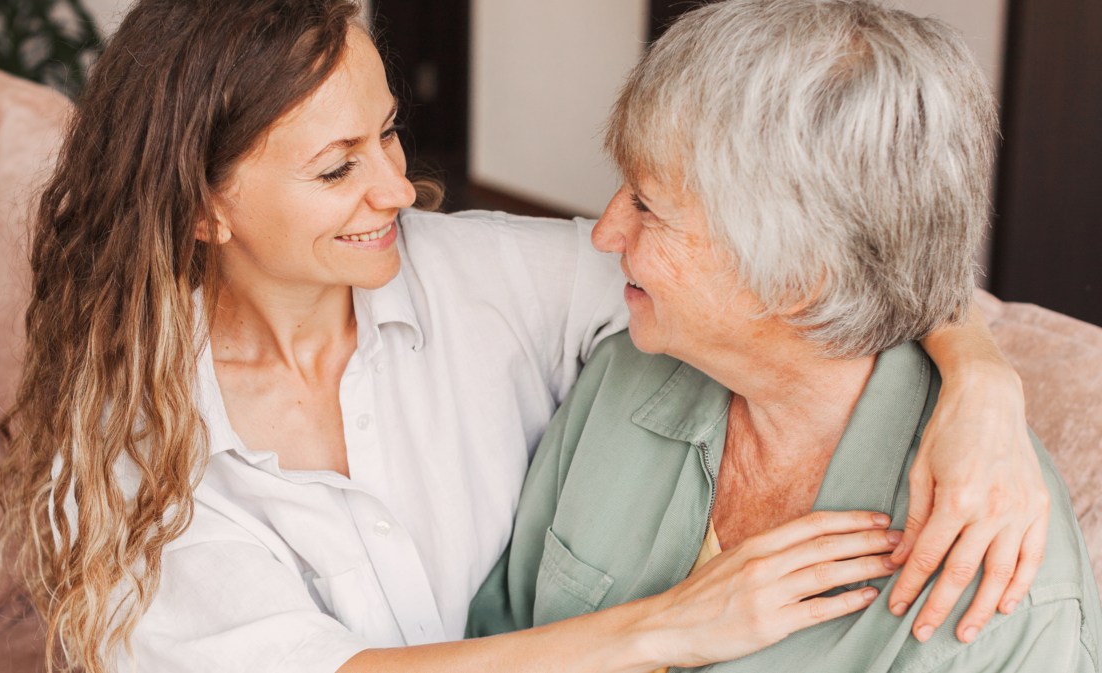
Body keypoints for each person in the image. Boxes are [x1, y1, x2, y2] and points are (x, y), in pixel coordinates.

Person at [0, 1, 1049, 672]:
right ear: (200, 206)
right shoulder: (126, 438)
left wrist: (982, 388)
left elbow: (822, 257)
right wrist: (678, 624)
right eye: (336, 167)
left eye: (390, 131)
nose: (401, 189)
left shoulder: (480, 276)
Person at [466, 1, 1101, 671]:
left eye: (648, 207)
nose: (606, 232)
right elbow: (500, 631)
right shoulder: (627, 371)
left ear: (798, 276)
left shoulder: (998, 587)